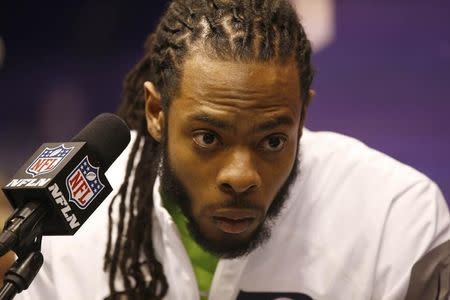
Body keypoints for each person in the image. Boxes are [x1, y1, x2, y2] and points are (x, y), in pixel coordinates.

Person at [7, 0, 450, 299]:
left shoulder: (398, 218)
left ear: (302, 116)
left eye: (272, 140)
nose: (241, 175)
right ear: (157, 111)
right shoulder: (70, 224)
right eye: (209, 138)